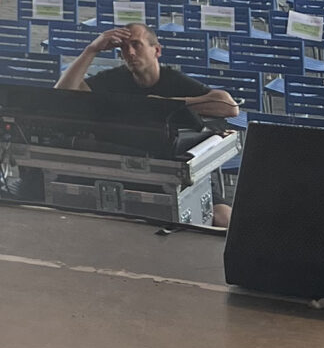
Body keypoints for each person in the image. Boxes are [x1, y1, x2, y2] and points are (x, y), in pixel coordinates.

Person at [57, 21, 241, 226]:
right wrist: (91, 50)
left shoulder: (172, 79)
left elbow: (228, 106)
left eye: (137, 45)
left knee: (225, 219)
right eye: (124, 48)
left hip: (179, 171)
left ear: (157, 50)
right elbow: (62, 97)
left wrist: (168, 105)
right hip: (127, 172)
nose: (130, 53)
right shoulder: (114, 79)